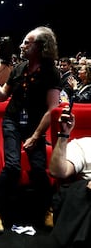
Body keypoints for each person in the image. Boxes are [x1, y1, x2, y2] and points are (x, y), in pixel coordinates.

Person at [0, 26, 62, 233]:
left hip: (36, 126)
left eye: (27, 42)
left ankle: (46, 208)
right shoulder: (19, 69)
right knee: (13, 166)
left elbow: (52, 110)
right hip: (12, 121)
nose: (22, 46)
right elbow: (1, 97)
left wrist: (36, 136)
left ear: (41, 47)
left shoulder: (51, 72)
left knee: (38, 169)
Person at [46, 105, 91, 248]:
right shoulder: (84, 145)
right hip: (85, 202)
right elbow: (58, 171)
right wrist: (64, 135)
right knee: (82, 189)